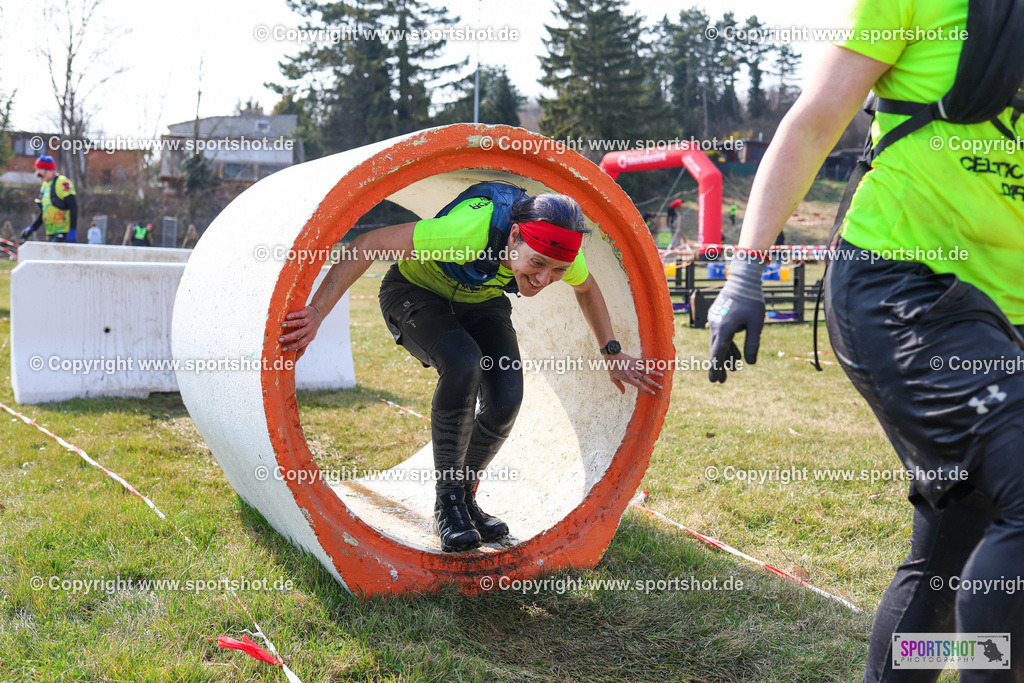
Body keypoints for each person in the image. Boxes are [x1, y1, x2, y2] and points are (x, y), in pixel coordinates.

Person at [708, 1, 1024, 681]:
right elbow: (816, 119)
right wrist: (746, 271)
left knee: (946, 562)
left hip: (1006, 317)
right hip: (903, 291)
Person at [280, 187, 664, 552]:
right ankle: (447, 505)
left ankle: (465, 498)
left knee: (507, 396)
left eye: (557, 270)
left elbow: (588, 288)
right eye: (537, 263)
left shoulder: (563, 246)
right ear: (514, 236)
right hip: (415, 293)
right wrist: (316, 312)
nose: (545, 279)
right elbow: (369, 244)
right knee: (465, 364)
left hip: (481, 301)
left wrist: (611, 352)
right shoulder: (467, 232)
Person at [21, 155, 77, 243]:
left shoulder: (62, 182)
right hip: (51, 233)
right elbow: (44, 212)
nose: (37, 173)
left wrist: (72, 229)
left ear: (49, 170)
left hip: (64, 233)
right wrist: (32, 228)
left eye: (39, 169)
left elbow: (73, 207)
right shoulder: (44, 186)